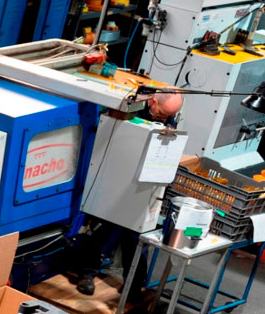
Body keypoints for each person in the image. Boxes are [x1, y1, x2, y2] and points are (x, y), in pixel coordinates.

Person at [74, 88, 185, 296]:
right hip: (115, 176)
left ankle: (134, 285)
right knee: (102, 229)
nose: (164, 119)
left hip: (144, 182)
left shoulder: (168, 118)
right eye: (162, 113)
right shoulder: (131, 108)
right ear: (152, 101)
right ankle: (87, 274)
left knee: (136, 237)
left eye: (168, 116)